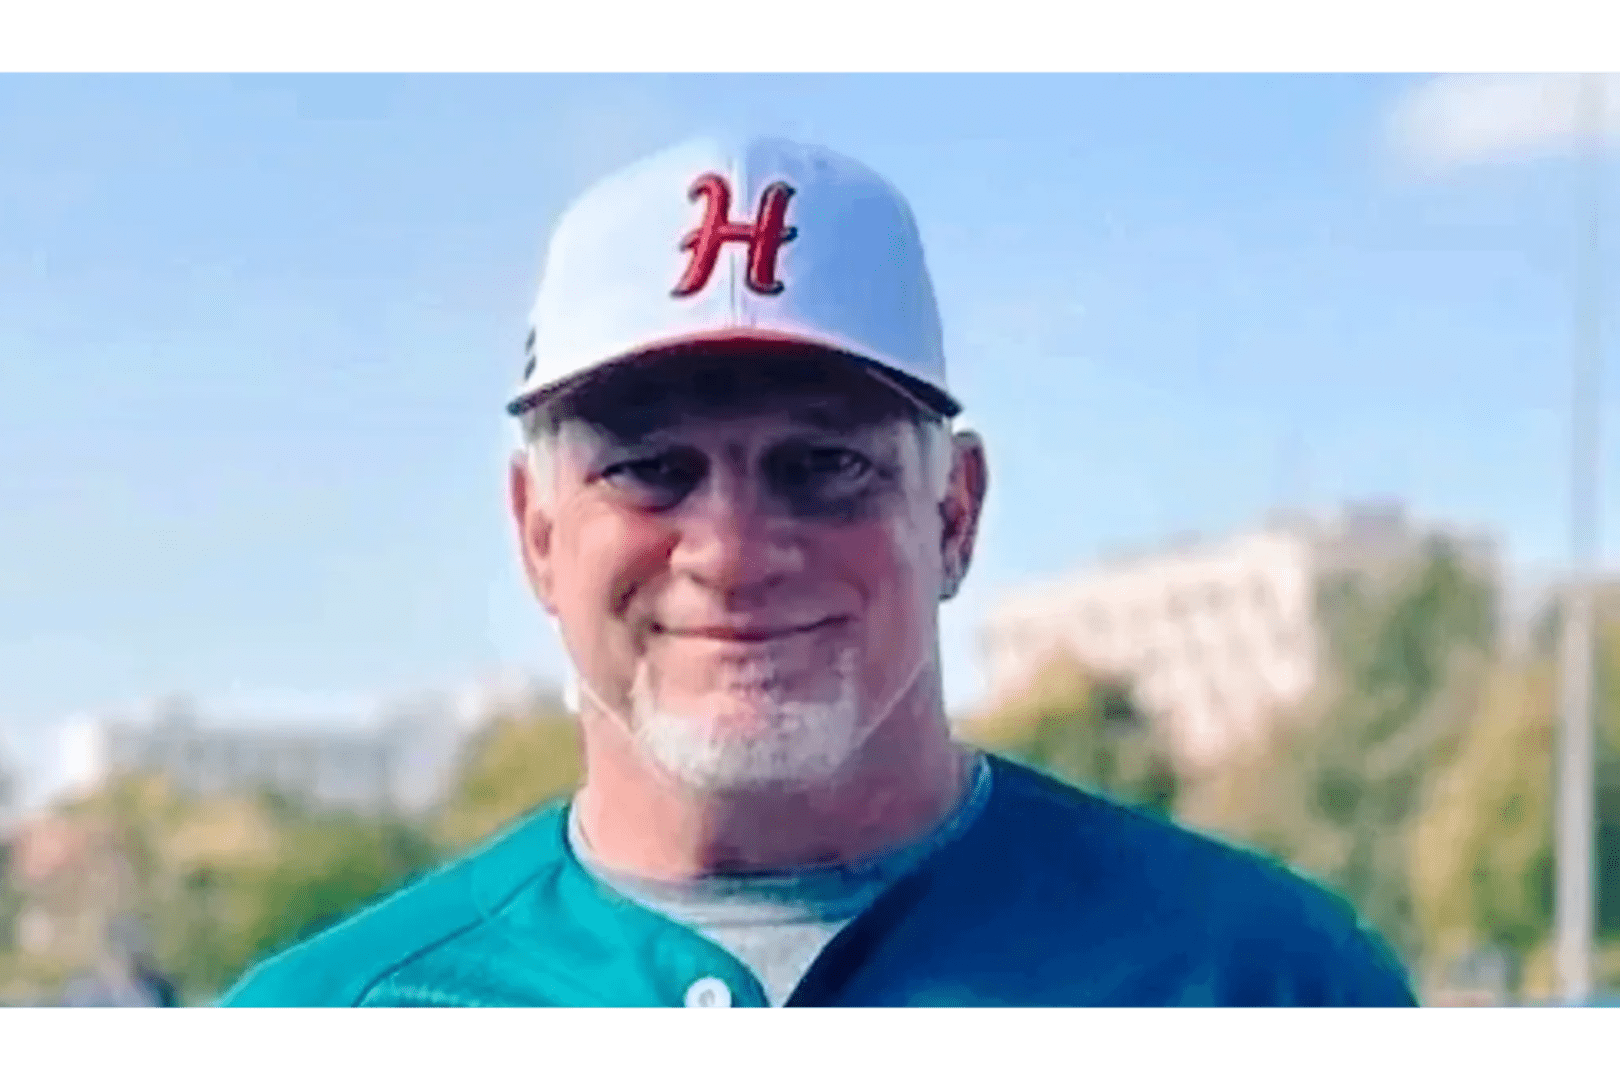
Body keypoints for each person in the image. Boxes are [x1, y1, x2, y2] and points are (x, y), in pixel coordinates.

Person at [218, 134, 1420, 1008]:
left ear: (955, 512)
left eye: (824, 463)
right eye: (648, 467)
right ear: (537, 531)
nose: (734, 554)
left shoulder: (1266, 975)